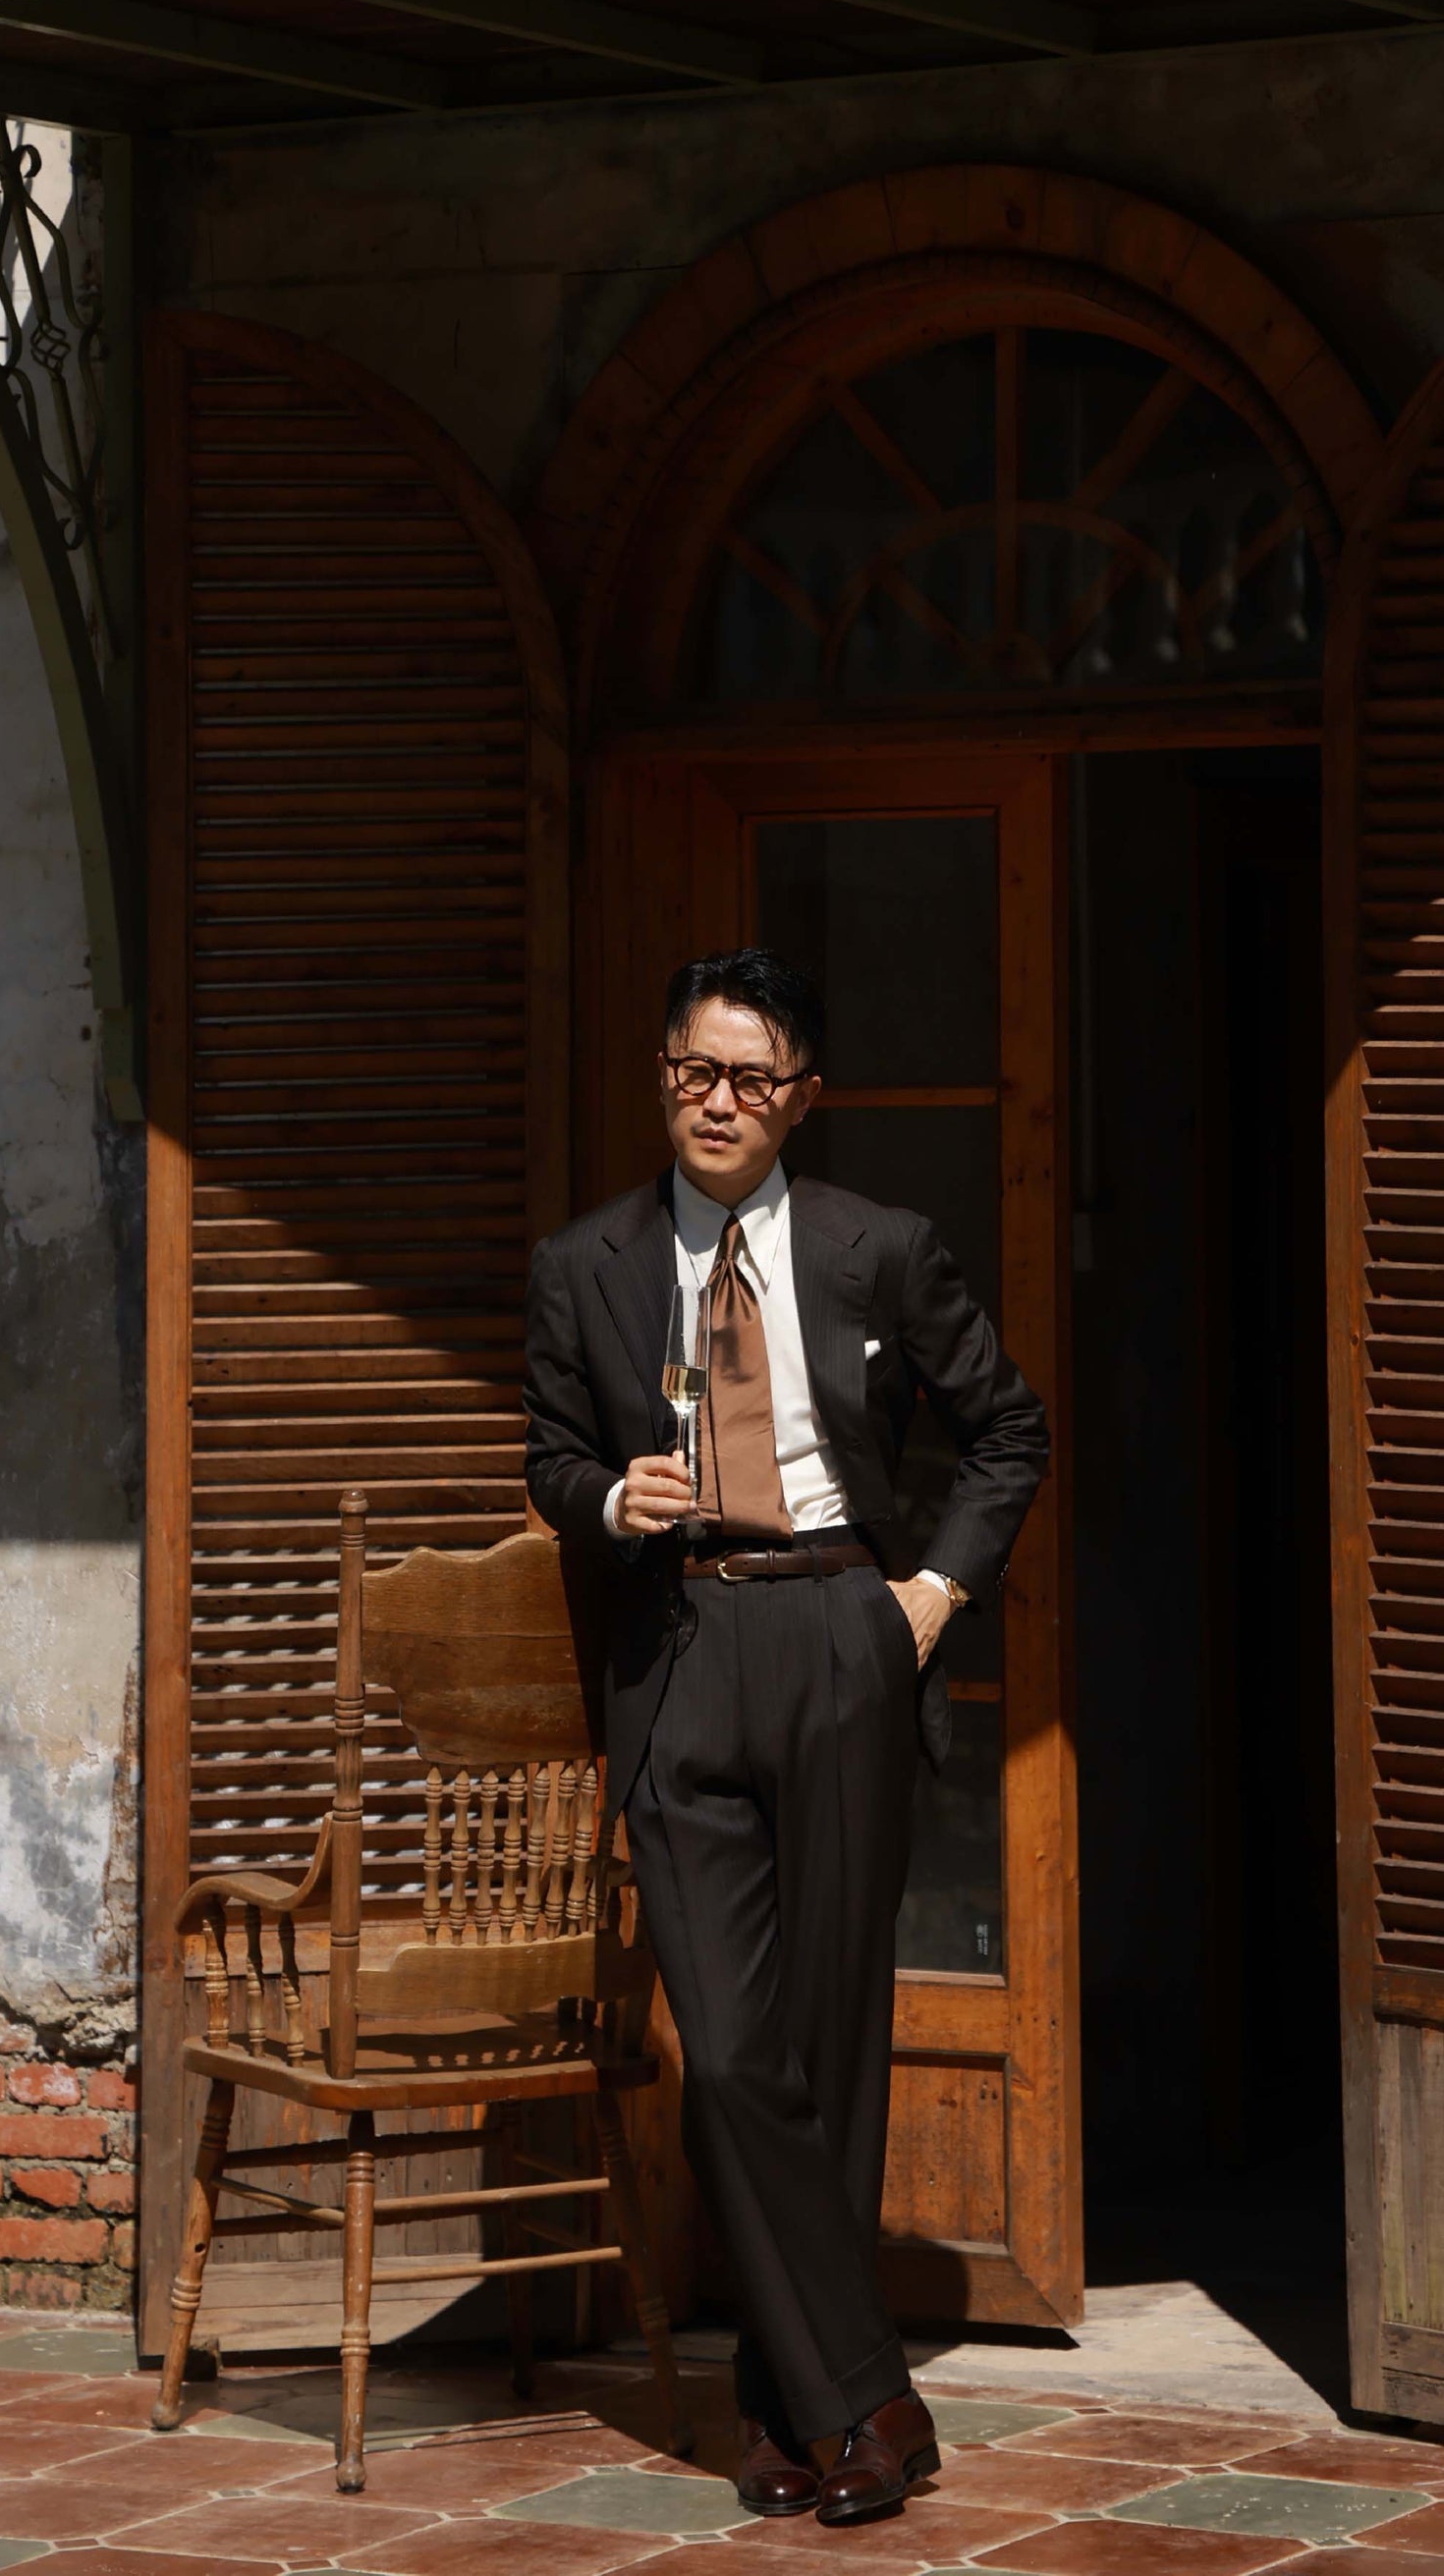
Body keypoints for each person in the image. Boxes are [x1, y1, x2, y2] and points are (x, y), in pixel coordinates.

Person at [524, 946, 1048, 2527]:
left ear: (800, 1096)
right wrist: (609, 1498)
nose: (717, 1102)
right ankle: (873, 2400)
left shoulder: (878, 1248)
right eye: (694, 1071)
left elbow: (1007, 1428)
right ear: (662, 1076)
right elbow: (551, 1454)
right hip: (677, 1647)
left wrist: (929, 1598)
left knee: (828, 2042)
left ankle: (778, 2402)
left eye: (750, 1078)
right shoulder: (585, 1263)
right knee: (736, 2052)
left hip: (836, 1630)